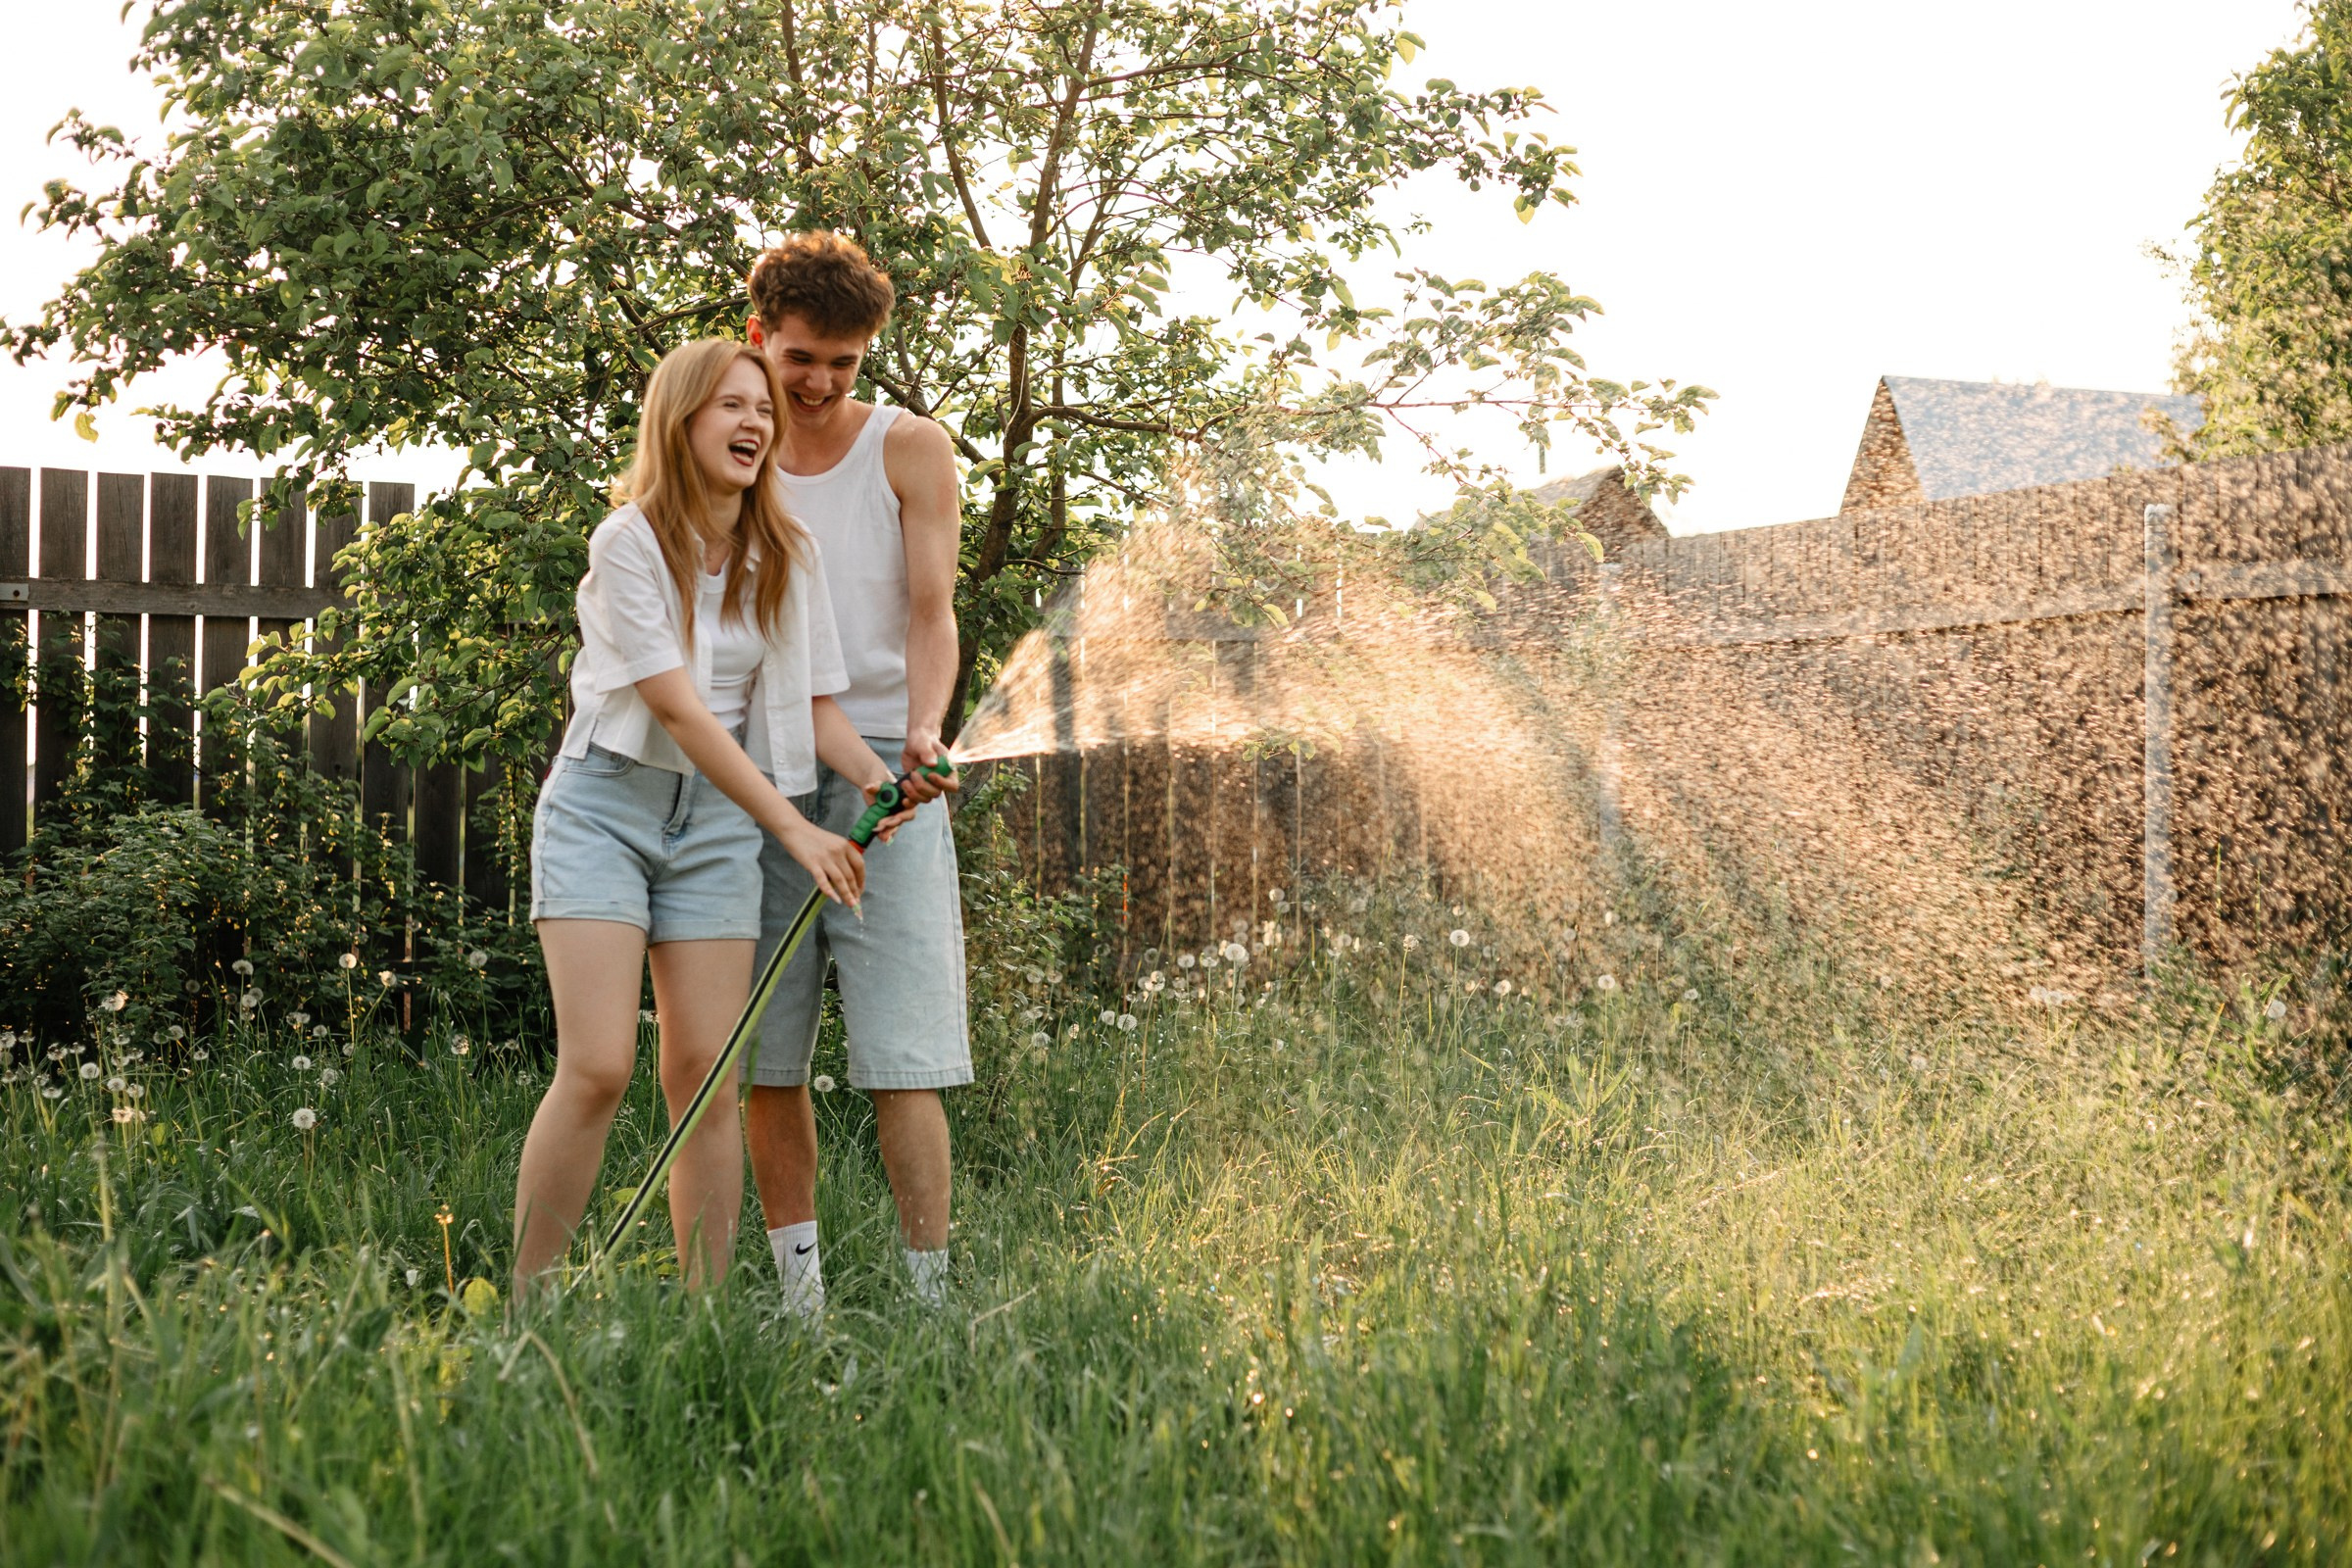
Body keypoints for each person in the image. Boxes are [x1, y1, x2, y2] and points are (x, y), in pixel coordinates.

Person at [511, 337, 919, 1295]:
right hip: (606, 807)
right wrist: (794, 825)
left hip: (719, 830)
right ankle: (524, 1307)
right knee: (602, 1065)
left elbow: (817, 701)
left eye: (763, 411)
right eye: (732, 406)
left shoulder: (786, 550)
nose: (755, 423)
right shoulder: (629, 543)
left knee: (708, 1079)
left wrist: (873, 777)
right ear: (681, 418)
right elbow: (680, 708)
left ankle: (704, 1321)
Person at [741, 231, 969, 1314]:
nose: (823, 383)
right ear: (760, 339)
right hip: (761, 785)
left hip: (896, 787)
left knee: (905, 1057)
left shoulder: (911, 448)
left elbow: (934, 611)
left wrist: (923, 733)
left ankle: (930, 1302)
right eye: (802, 359)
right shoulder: (728, 451)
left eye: (846, 362)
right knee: (764, 1058)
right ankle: (801, 1304)